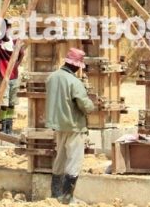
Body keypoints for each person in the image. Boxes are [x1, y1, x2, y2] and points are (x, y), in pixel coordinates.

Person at [45, 48, 100, 204]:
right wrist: (92, 104)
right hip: (74, 126)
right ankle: (67, 197)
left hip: (58, 125)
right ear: (76, 65)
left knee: (60, 159)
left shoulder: (51, 77)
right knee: (74, 161)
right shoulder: (74, 82)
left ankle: (55, 194)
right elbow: (84, 105)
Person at [0, 20, 24, 135]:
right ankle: (3, 128)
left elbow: (22, 53)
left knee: (12, 103)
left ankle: (9, 127)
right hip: (3, 78)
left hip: (14, 77)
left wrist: (16, 65)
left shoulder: (14, 42)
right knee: (3, 104)